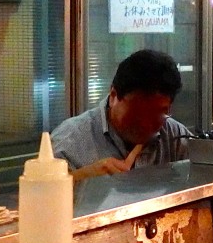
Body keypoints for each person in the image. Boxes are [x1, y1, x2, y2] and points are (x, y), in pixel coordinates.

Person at [51, 49, 193, 182]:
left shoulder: (175, 137)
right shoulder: (69, 141)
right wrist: (80, 179)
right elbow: (40, 198)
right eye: (138, 112)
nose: (146, 124)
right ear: (113, 96)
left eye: (158, 113)